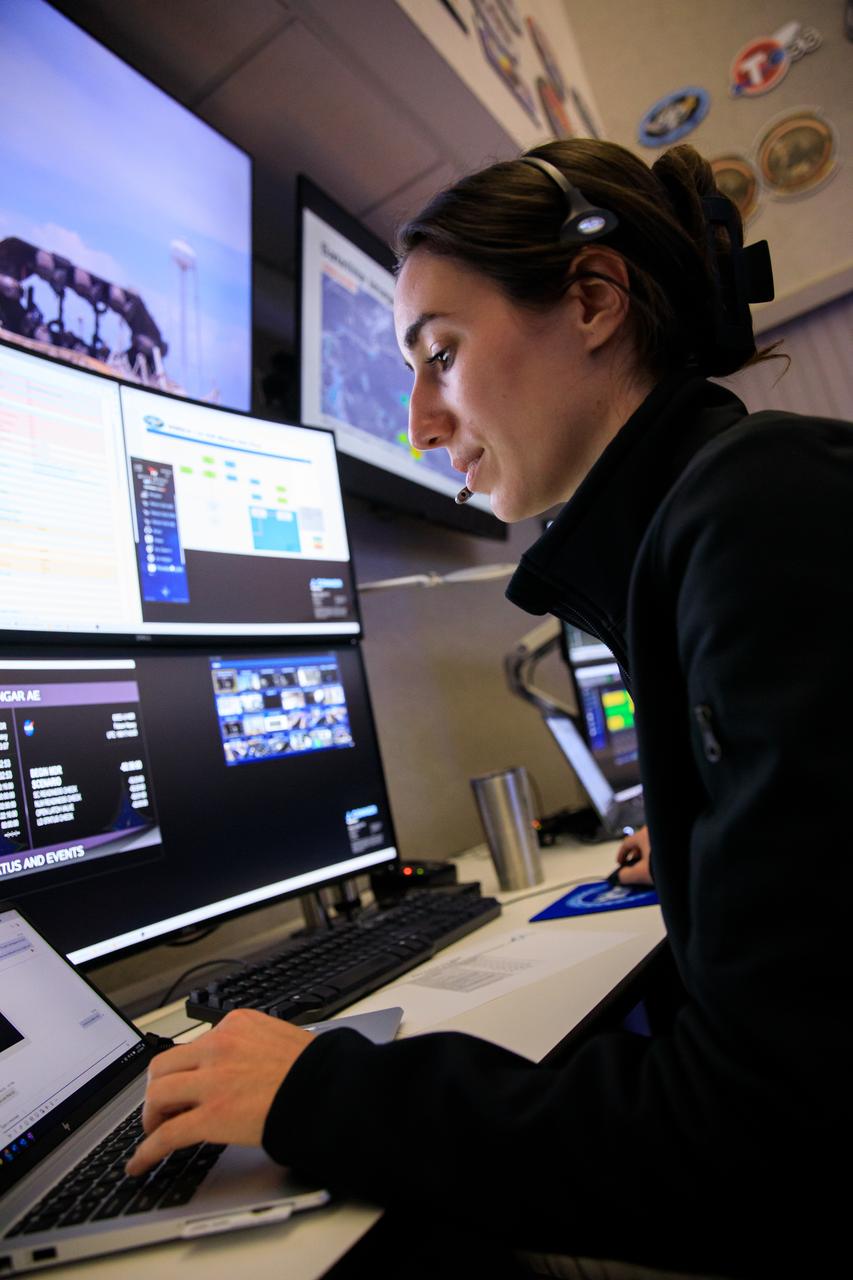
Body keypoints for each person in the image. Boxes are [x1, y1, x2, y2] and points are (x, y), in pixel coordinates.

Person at [126, 140, 850, 1278]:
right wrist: (722, 849)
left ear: (592, 301)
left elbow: (759, 1135)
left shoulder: (760, 512)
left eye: (441, 354)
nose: (419, 421)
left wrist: (318, 1090)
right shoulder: (719, 513)